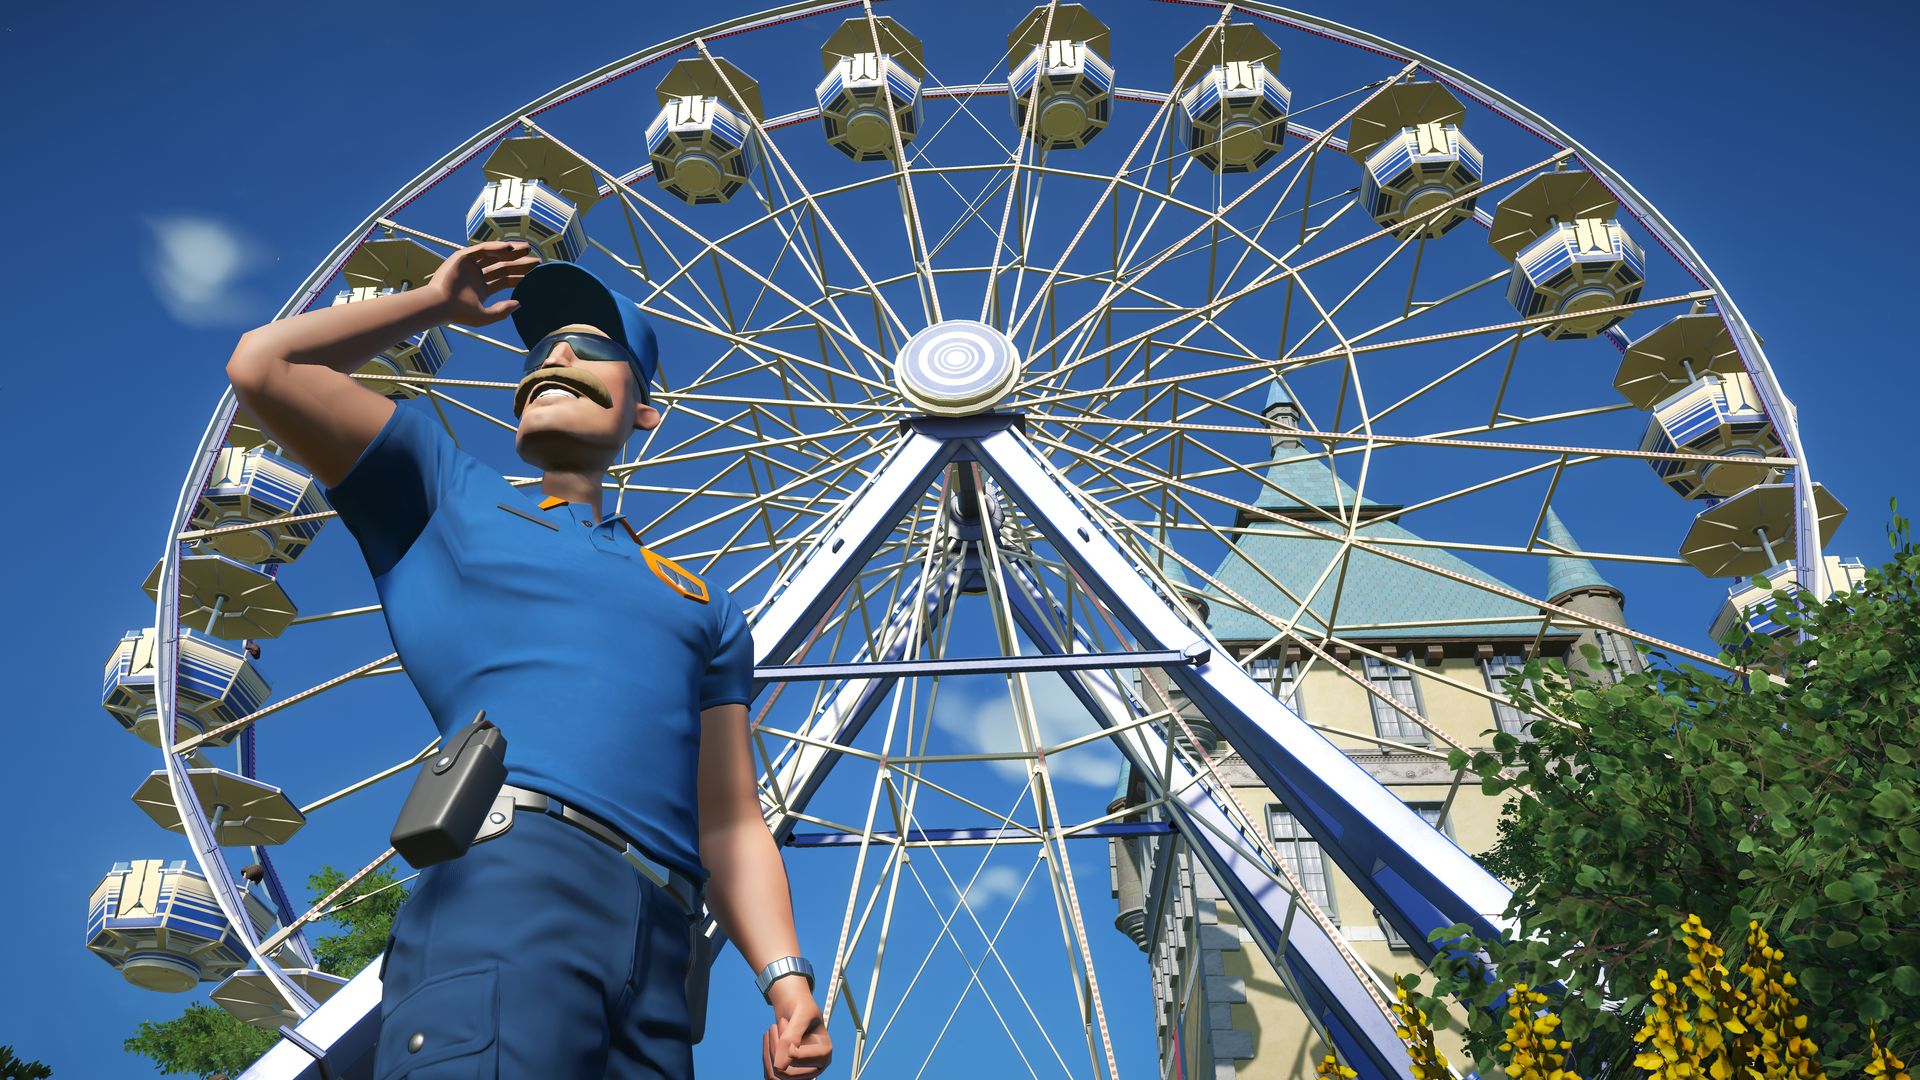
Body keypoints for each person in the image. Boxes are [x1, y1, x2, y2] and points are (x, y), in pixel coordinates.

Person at [227, 239, 833, 1079]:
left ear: (645, 410)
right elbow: (265, 365)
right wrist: (431, 305)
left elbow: (729, 819)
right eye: (543, 348)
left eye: (590, 348)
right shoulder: (445, 493)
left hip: (665, 950)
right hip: (512, 880)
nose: (556, 356)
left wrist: (785, 978)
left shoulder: (707, 606)